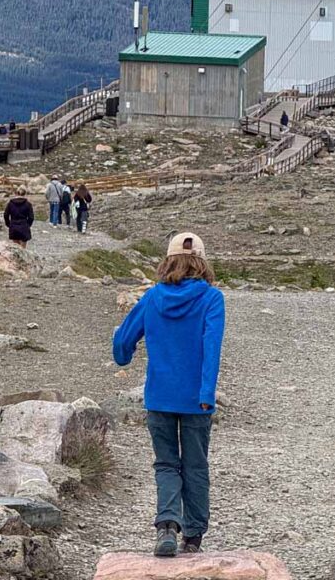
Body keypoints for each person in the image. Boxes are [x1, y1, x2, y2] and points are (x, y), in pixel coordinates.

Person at [113, 232, 225, 558]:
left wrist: (124, 352)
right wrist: (207, 392)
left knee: (165, 463)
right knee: (195, 465)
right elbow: (211, 349)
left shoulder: (153, 297)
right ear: (201, 262)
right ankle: (193, 535)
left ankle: (167, 526)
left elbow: (123, 343)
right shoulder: (212, 299)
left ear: (168, 260)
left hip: (159, 395)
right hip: (196, 398)